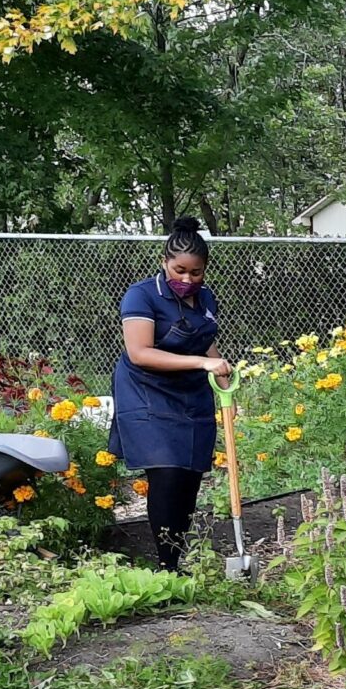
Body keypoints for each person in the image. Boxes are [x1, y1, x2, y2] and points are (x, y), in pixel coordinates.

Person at [110, 217, 231, 572]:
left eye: (196, 273)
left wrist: (225, 384)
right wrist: (201, 363)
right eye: (179, 271)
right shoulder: (141, 294)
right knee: (166, 474)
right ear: (165, 262)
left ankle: (177, 560)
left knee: (189, 477)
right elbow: (140, 352)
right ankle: (166, 567)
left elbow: (206, 342)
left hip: (190, 395)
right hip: (146, 392)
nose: (187, 280)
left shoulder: (206, 298)